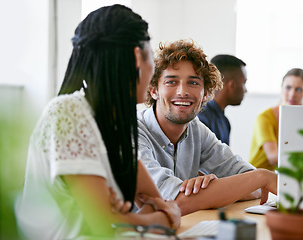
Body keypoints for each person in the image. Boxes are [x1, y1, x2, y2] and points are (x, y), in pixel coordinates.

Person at [15, 5, 180, 240]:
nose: (153, 68)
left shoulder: (112, 123)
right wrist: (153, 219)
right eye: (151, 57)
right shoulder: (68, 113)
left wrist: (129, 219)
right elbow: (106, 226)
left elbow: (152, 202)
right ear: (136, 57)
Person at [138, 39, 277, 216]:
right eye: (171, 82)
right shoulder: (133, 131)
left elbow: (253, 185)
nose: (182, 91)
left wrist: (213, 190)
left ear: (206, 93)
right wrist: (261, 177)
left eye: (193, 83)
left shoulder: (196, 129)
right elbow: (174, 201)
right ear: (153, 90)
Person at [249, 68, 303, 170]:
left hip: (286, 177)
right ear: (281, 88)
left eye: (298, 89)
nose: (292, 94)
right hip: (257, 177)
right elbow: (273, 157)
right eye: (288, 87)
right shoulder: (265, 118)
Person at [198, 54, 247, 145]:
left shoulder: (224, 121)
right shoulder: (201, 119)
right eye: (244, 83)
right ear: (231, 85)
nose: (245, 90)